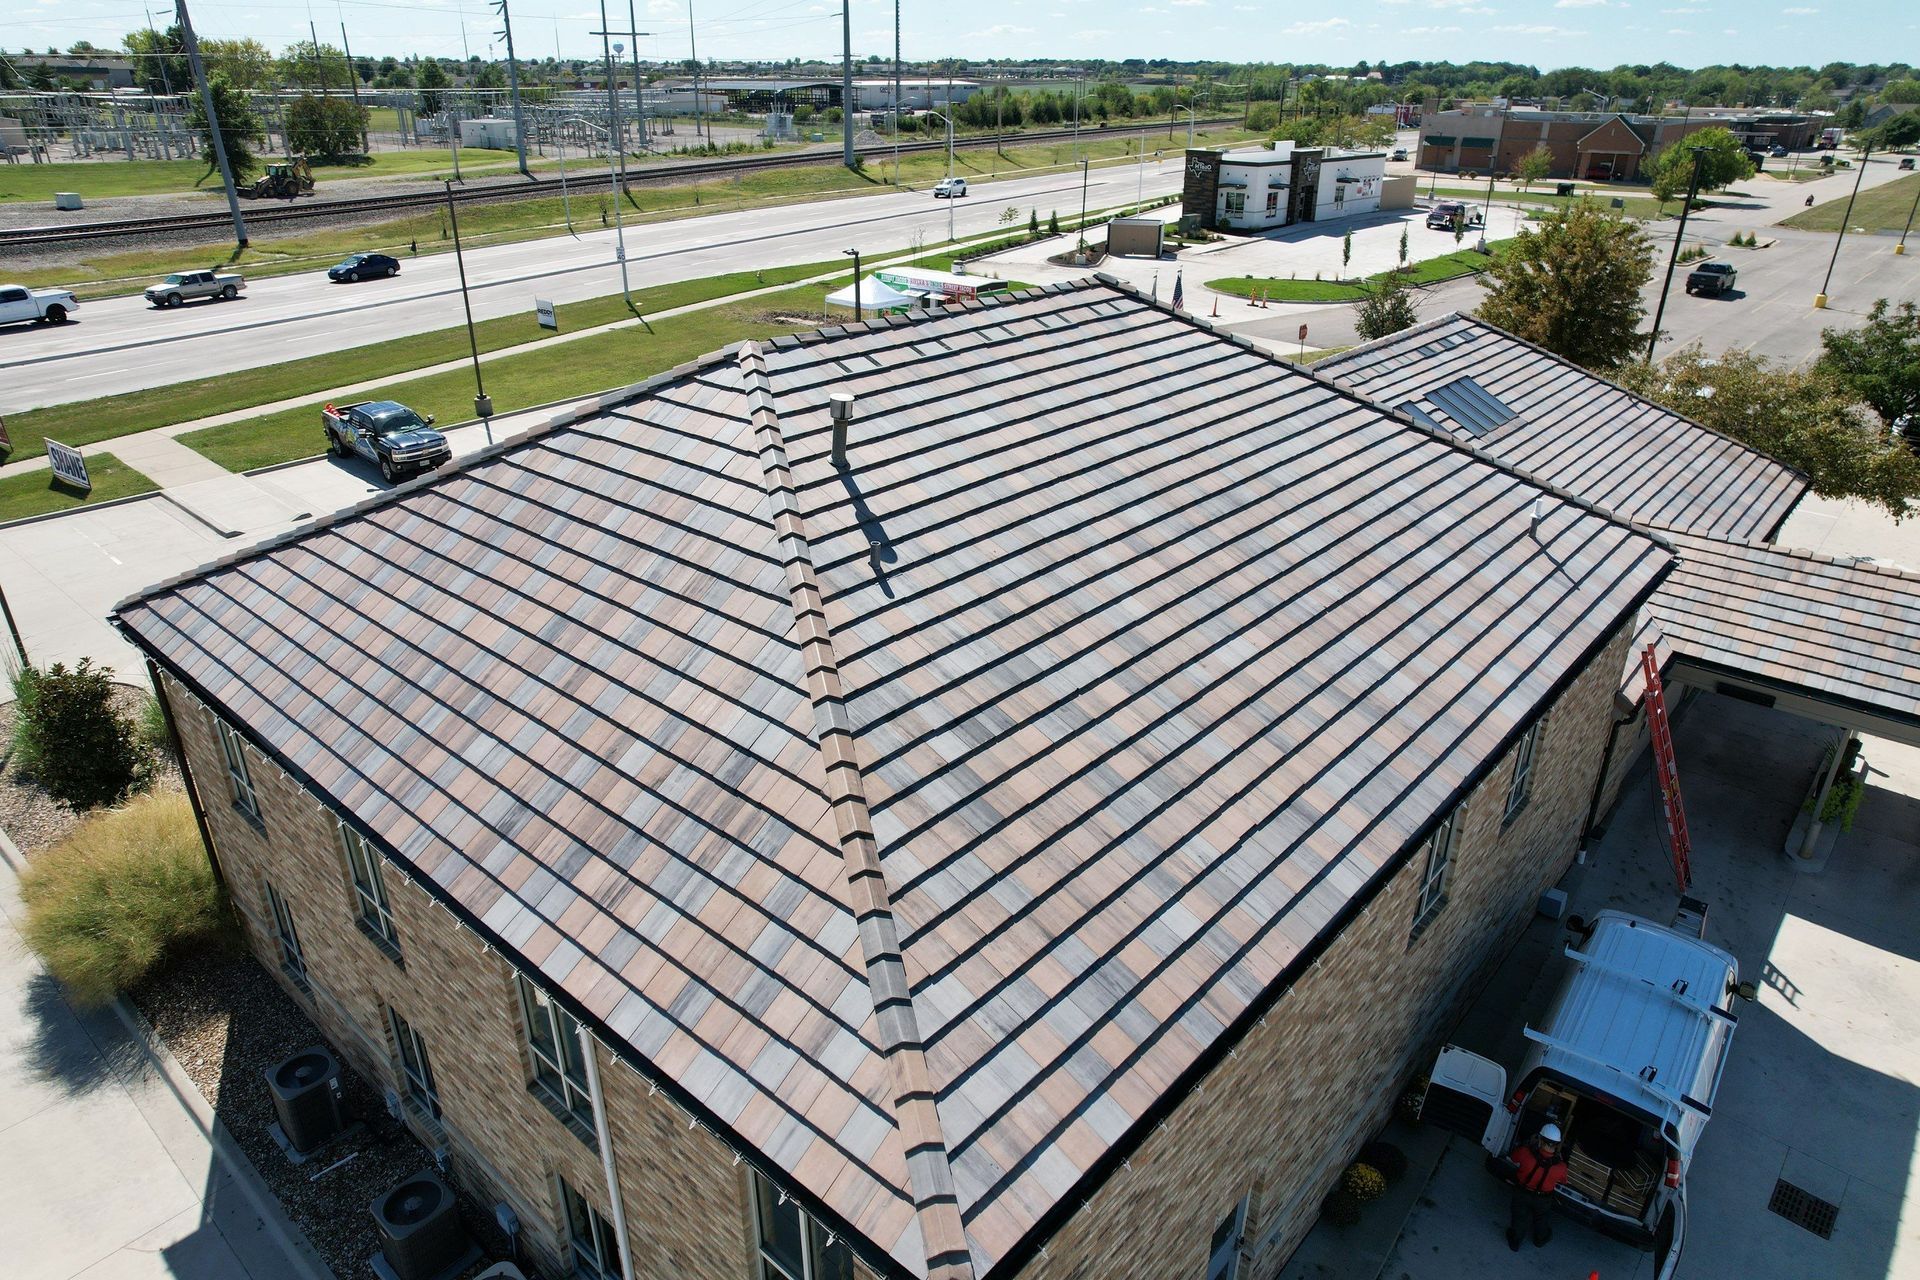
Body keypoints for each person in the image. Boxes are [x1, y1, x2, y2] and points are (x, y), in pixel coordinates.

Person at [1507, 1123, 1568, 1251]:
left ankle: (1515, 1242)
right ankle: (1541, 1239)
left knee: (1519, 1217)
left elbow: (1513, 1157)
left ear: (1540, 1139)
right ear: (1556, 1145)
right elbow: (1563, 1181)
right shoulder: (1561, 1167)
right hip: (1543, 1199)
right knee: (1541, 1219)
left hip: (1522, 1193)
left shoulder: (1525, 1153)